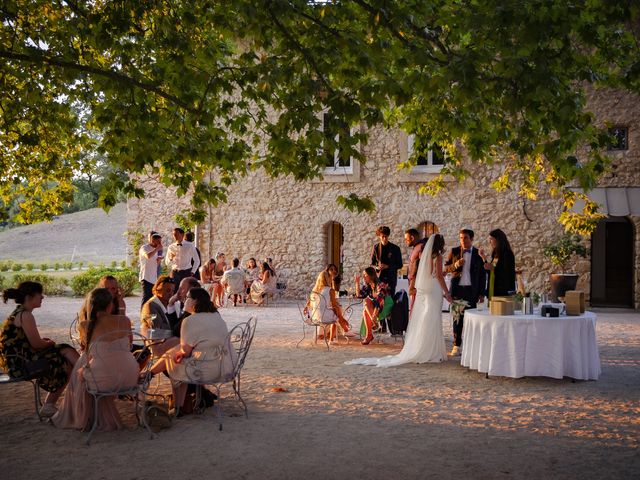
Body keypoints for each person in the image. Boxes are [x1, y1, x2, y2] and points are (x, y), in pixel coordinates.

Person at [346, 234, 453, 367]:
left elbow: (427, 273)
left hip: (427, 290)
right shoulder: (438, 256)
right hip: (434, 289)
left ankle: (425, 348)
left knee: (426, 318)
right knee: (433, 318)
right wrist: (447, 292)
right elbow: (438, 276)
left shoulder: (425, 256)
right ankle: (432, 350)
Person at [53, 288, 139, 431]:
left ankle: (87, 417)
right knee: (92, 367)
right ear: (110, 304)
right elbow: (129, 345)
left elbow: (86, 350)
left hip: (104, 381)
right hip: (129, 377)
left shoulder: (84, 325)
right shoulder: (124, 320)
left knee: (81, 369)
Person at [147, 287, 237, 417]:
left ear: (195, 301)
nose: (185, 299)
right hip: (227, 365)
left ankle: (177, 406)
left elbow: (186, 352)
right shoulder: (216, 315)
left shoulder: (189, 321)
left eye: (188, 297)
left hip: (209, 370)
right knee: (175, 352)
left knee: (175, 361)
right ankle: (150, 375)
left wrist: (179, 354)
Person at [0, 281, 79, 417]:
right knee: (65, 357)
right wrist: (48, 343)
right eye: (40, 294)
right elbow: (36, 344)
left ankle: (52, 404)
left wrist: (45, 342)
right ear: (30, 297)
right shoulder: (25, 315)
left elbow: (31, 343)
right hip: (20, 366)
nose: (42, 297)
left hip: (19, 361)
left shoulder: (20, 313)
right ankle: (90, 379)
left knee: (65, 352)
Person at [444, 228, 487, 356]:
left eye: (466, 238)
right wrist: (456, 265)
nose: (463, 241)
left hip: (472, 291)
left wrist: (481, 293)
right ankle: (456, 345)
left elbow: (482, 276)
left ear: (472, 239)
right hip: (458, 290)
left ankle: (470, 346)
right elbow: (446, 268)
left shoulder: (478, 254)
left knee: (472, 319)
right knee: (457, 319)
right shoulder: (454, 251)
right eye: (461, 238)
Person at [140, 276, 180, 356]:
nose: (171, 294)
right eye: (168, 290)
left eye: (172, 291)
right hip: (159, 348)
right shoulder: (150, 306)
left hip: (171, 344)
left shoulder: (173, 304)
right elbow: (156, 332)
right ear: (158, 290)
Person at [354, 266, 391, 345]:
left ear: (371, 275)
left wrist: (374, 316)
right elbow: (359, 295)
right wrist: (357, 283)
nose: (364, 277)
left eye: (365, 275)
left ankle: (369, 335)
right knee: (366, 305)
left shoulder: (380, 285)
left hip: (384, 305)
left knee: (366, 303)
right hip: (374, 308)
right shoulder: (368, 286)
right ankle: (370, 333)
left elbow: (380, 300)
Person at [481, 228, 516, 297]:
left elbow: (507, 273)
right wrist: (483, 257)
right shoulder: (496, 254)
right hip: (494, 290)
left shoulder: (507, 253)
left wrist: (493, 268)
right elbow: (491, 272)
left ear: (498, 239)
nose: (489, 241)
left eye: (491, 239)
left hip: (503, 292)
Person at [370, 225, 403, 295]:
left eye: (386, 236)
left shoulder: (395, 248)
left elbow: (400, 264)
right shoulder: (375, 248)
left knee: (390, 301)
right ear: (379, 236)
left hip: (391, 279)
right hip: (379, 278)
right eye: (382, 237)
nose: (384, 239)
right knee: (379, 300)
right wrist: (377, 267)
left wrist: (388, 266)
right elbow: (372, 264)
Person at [404, 228, 428, 311]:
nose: (405, 241)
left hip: (417, 285)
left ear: (412, 238)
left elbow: (420, 267)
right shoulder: (416, 247)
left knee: (416, 309)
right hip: (414, 283)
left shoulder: (421, 247)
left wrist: (412, 285)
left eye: (406, 239)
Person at [139, 231, 163, 308]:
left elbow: (156, 264)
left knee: (152, 299)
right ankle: (143, 315)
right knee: (146, 298)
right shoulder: (144, 248)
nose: (159, 243)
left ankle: (150, 314)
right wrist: (156, 249)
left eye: (160, 241)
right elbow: (148, 256)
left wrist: (159, 260)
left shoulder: (157, 250)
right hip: (146, 277)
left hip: (154, 278)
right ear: (152, 240)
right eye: (158, 241)